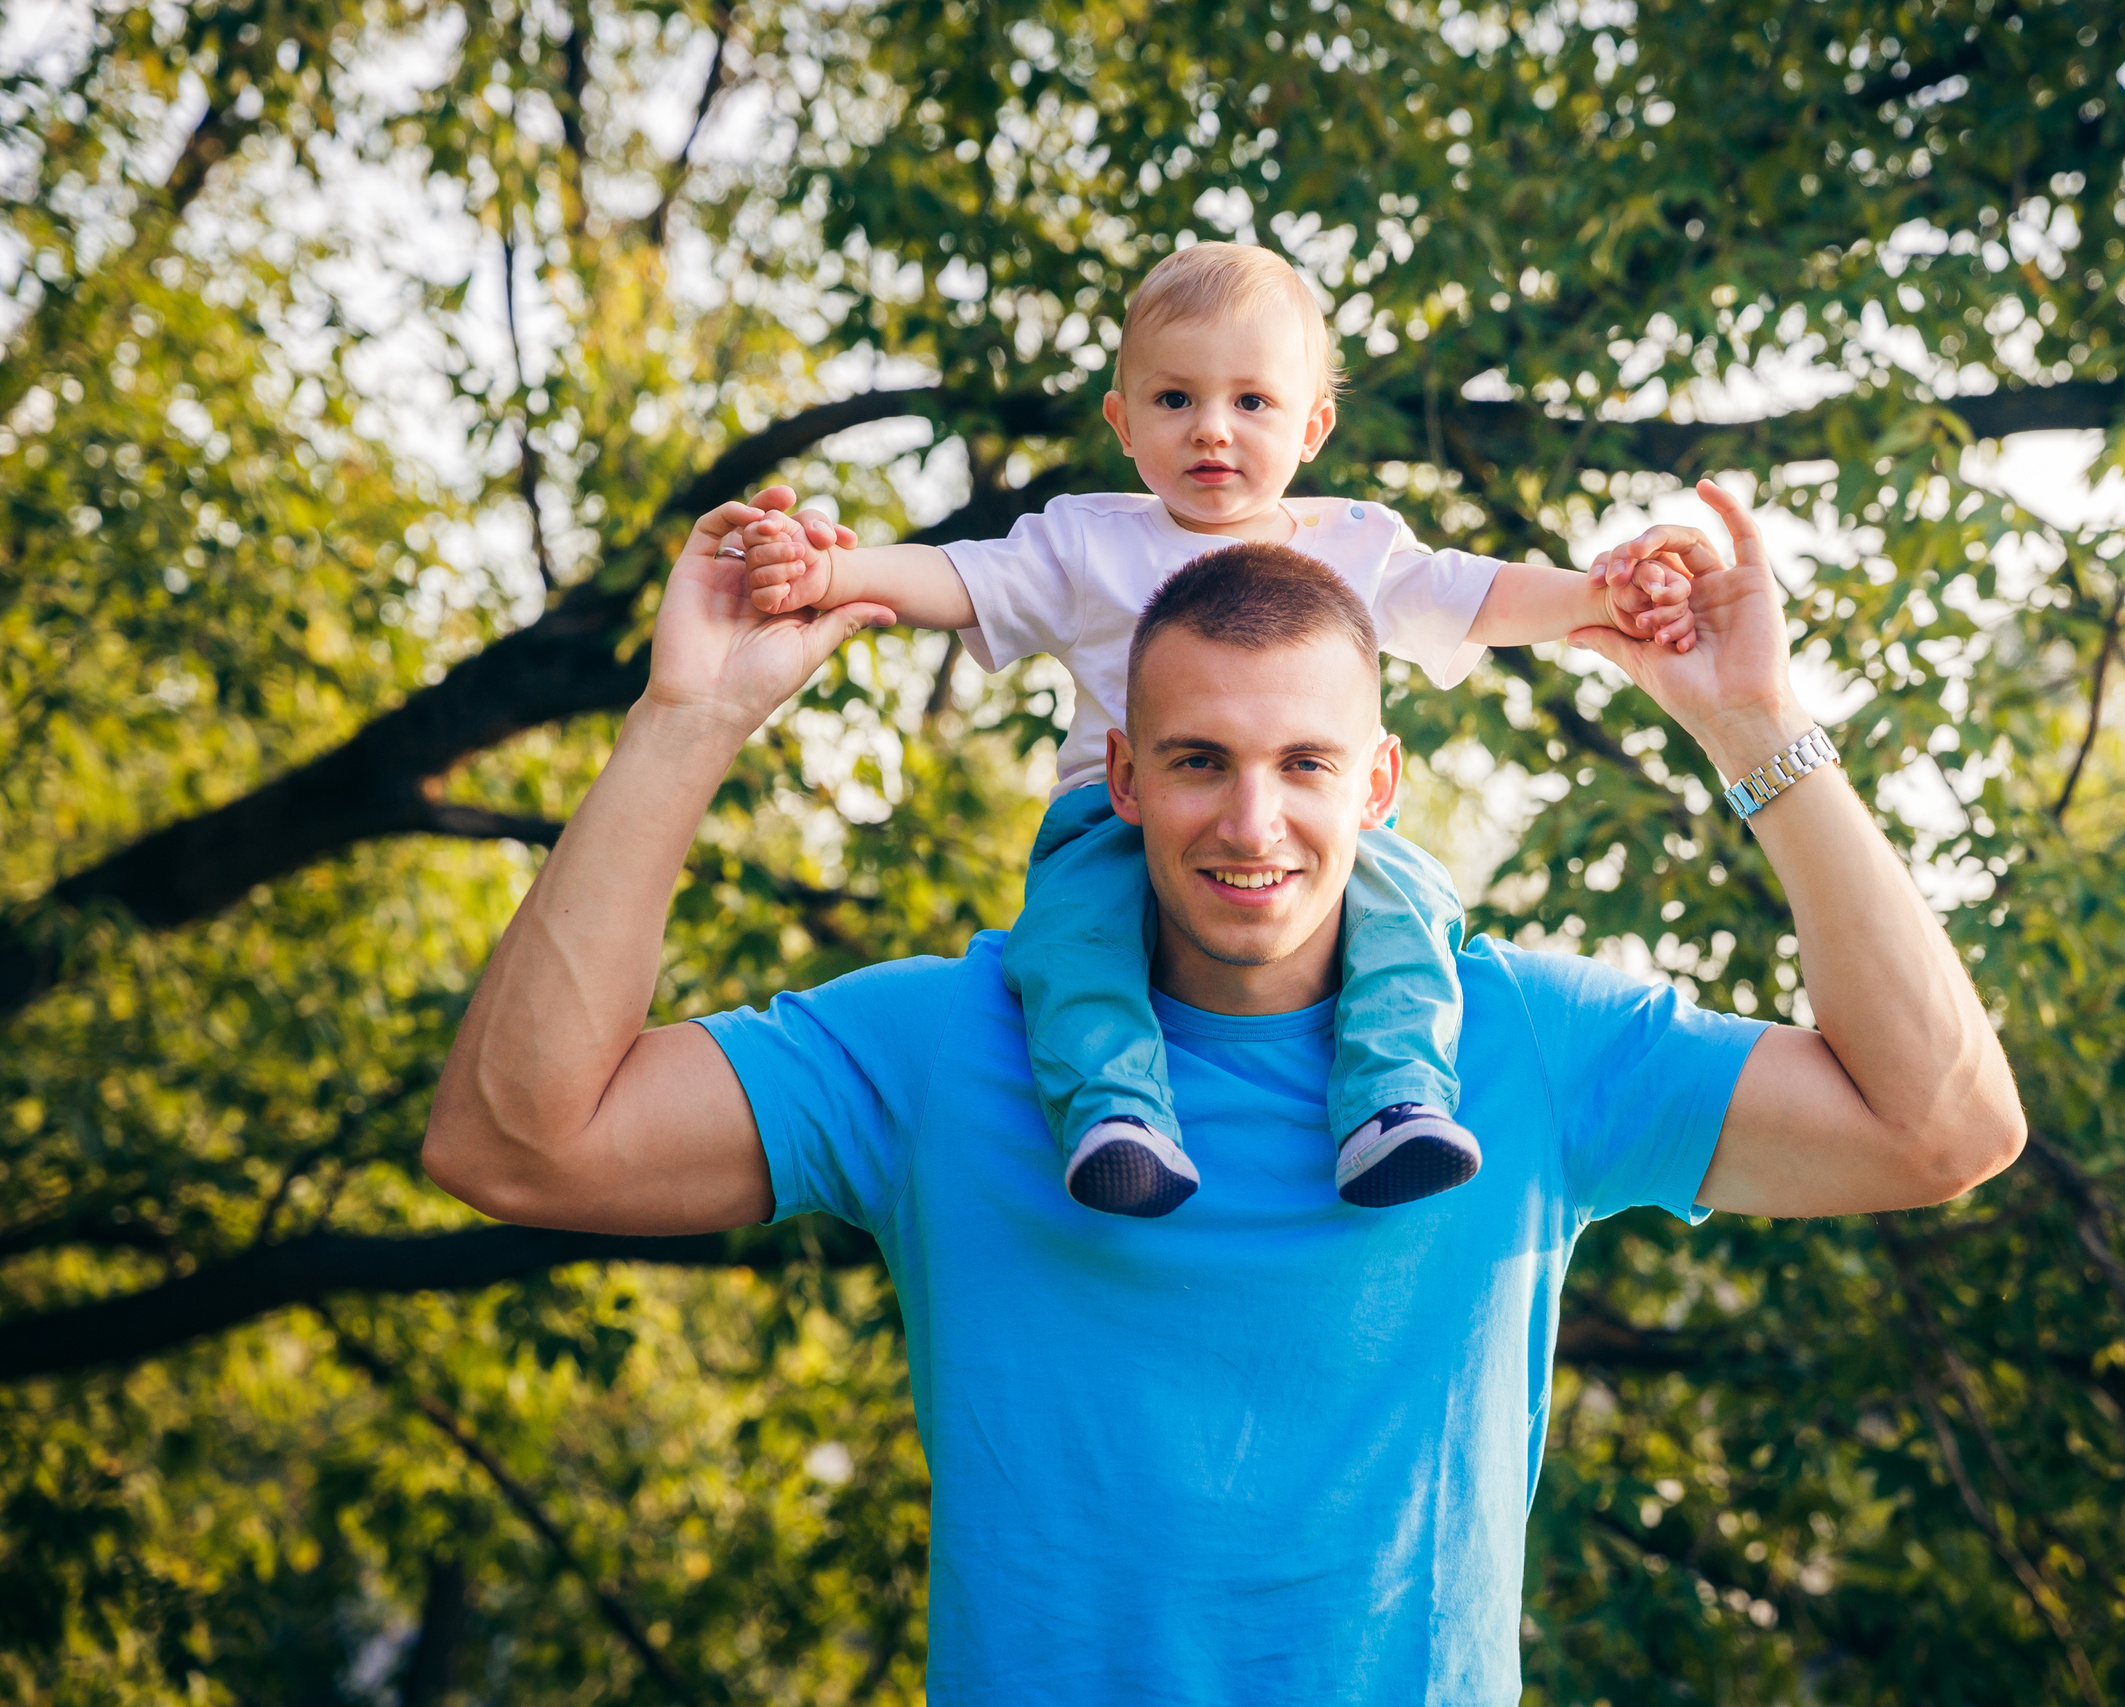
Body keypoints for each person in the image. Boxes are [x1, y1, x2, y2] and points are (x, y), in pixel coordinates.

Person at [422, 475, 2028, 1704]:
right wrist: (686, 722)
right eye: (1196, 758)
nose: (1252, 820)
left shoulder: (1523, 1039)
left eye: (1307, 763)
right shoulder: (940, 1047)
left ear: (1379, 782)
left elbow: (1942, 1124)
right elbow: (515, 1141)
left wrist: (1761, 725)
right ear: (1117, 772)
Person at [730, 241, 1697, 1217]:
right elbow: (959, 576)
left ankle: (1393, 1099)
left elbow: (1474, 594)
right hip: (1108, 818)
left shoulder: (1354, 542)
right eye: (1174, 400)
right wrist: (835, 576)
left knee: (1411, 907)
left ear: (1313, 425)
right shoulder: (1087, 540)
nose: (1211, 431)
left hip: (1320, 828)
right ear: (1121, 420)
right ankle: (1116, 1116)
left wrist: (1598, 597)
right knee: (1075, 940)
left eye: (1252, 402)